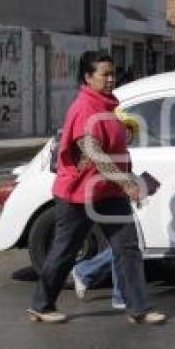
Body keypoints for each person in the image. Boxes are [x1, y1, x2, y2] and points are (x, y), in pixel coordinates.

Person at [28, 52, 165, 325]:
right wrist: (126, 182)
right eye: (105, 74)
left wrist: (133, 179)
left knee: (127, 247)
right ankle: (42, 305)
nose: (111, 79)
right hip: (80, 194)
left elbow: (114, 152)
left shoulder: (107, 107)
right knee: (65, 250)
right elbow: (94, 153)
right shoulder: (84, 108)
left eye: (113, 73)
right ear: (88, 78)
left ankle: (137, 308)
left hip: (108, 192)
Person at [71, 110, 141, 310]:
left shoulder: (124, 153)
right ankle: (90, 276)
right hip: (101, 202)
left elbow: (125, 175)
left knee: (122, 247)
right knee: (122, 248)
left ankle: (88, 275)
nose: (126, 133)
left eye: (129, 129)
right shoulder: (108, 151)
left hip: (116, 202)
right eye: (122, 128)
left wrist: (139, 185)